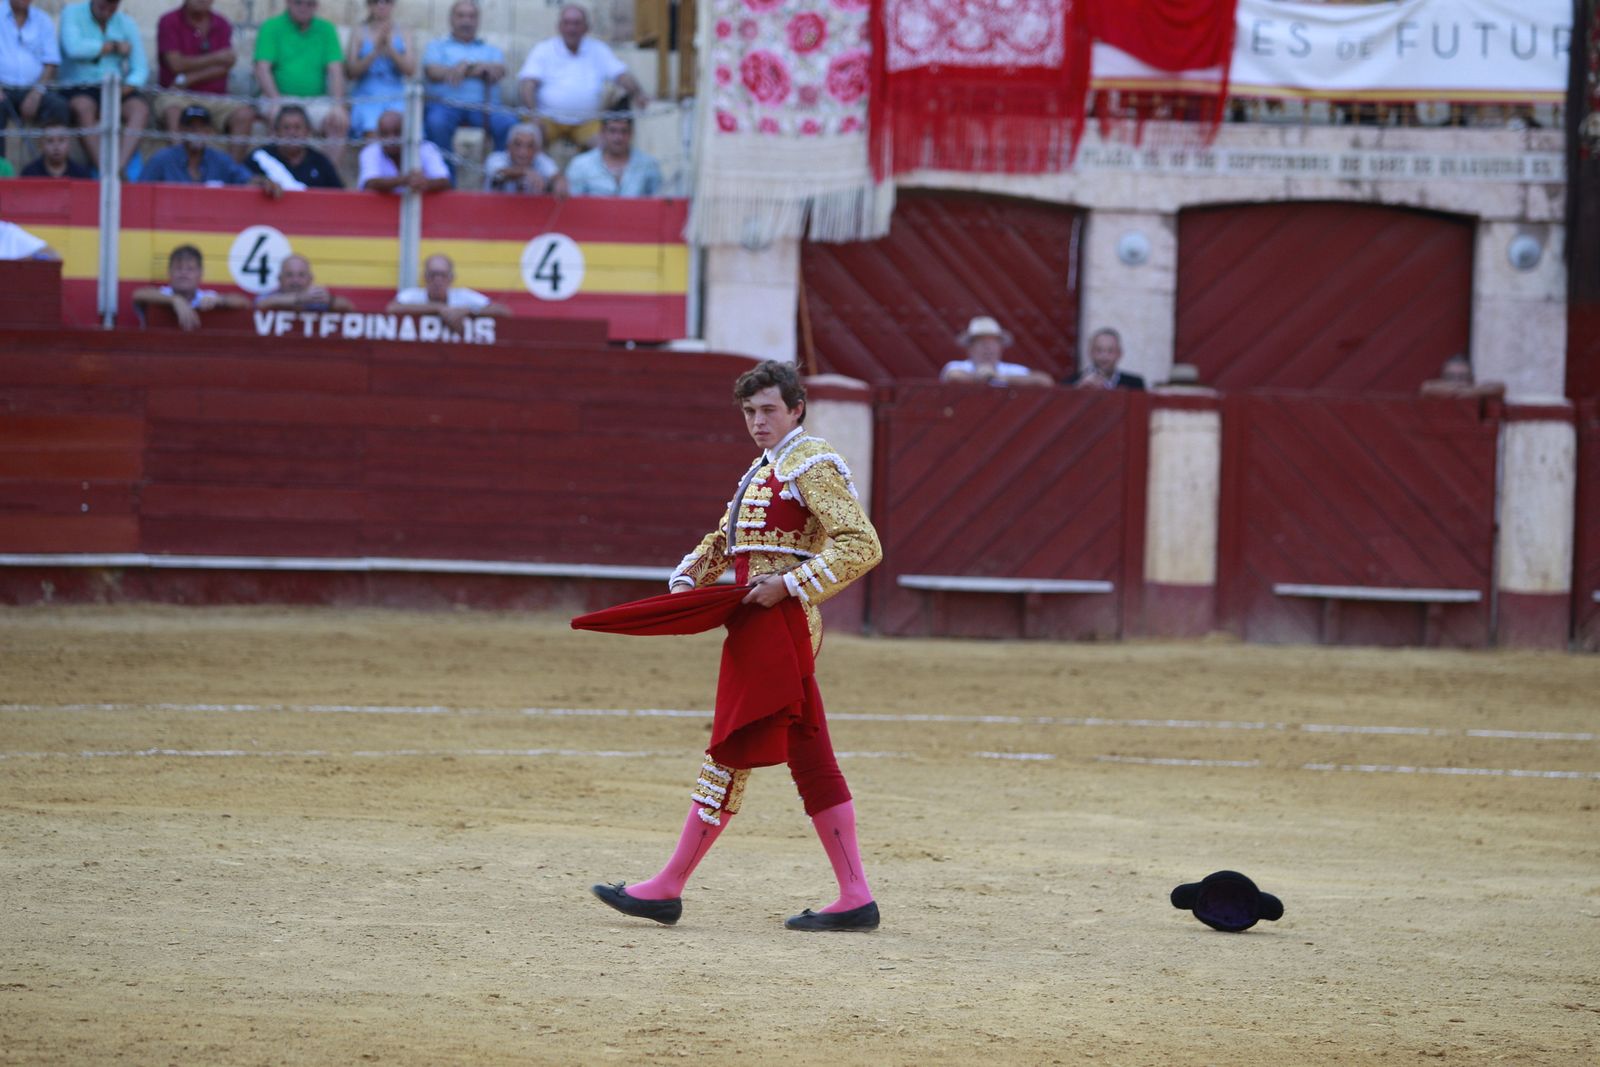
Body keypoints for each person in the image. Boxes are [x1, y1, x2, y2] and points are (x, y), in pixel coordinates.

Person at [587, 360, 884, 932]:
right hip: (756, 622)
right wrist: (686, 582)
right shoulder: (764, 468)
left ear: (796, 408)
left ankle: (668, 886)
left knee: (732, 742)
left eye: (768, 409)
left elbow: (861, 544)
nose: (757, 421)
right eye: (749, 412)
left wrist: (791, 585)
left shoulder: (811, 463)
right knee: (808, 751)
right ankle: (854, 895)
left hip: (785, 623)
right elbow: (725, 541)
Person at [516, 4, 646, 151]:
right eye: (567, 23)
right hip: (547, 119)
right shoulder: (543, 49)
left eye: (577, 23)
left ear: (586, 27)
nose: (572, 28)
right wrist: (534, 116)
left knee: (608, 148)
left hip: (587, 122)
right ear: (559, 27)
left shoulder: (598, 49)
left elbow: (621, 75)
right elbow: (527, 84)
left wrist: (638, 93)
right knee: (529, 141)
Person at [57, 0, 151, 178]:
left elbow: (140, 68)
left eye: (113, 3)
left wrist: (126, 88)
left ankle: (118, 169)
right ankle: (105, 172)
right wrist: (113, 47)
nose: (108, 6)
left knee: (140, 109)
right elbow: (74, 49)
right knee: (83, 107)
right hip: (79, 85)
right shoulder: (71, 13)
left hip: (115, 87)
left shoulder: (126, 23)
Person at [154, 0, 256, 162]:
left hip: (215, 99)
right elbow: (176, 64)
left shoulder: (221, 23)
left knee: (244, 114)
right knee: (173, 111)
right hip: (177, 96)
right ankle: (181, 169)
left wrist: (188, 78)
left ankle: (231, 175)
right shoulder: (169, 21)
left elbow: (227, 64)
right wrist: (215, 58)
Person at [421, 0, 513, 159]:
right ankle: (445, 180)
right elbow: (432, 72)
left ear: (478, 20)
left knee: (509, 124)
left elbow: (499, 71)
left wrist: (466, 67)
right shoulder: (437, 46)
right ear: (451, 19)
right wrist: (478, 69)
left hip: (484, 108)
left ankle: (497, 175)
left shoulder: (491, 50)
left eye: (472, 16)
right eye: (461, 16)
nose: (466, 21)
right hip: (445, 106)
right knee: (436, 123)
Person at [252, 0, 349, 149]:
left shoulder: (327, 29)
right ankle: (278, 171)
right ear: (288, 3)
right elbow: (262, 68)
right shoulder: (271, 26)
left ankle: (329, 172)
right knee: (277, 117)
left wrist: (337, 105)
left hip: (315, 100)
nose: (304, 8)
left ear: (316, 6)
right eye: (299, 2)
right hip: (278, 97)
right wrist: (275, 100)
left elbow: (336, 70)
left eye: (310, 4)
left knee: (338, 122)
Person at [139, 103, 279, 190]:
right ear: (181, 130)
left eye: (202, 127)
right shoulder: (162, 159)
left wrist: (263, 182)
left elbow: (245, 179)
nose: (197, 132)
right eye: (191, 127)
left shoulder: (220, 161)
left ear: (209, 132)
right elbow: (140, 191)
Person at [0, 0, 70, 166]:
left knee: (59, 107)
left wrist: (37, 92)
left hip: (34, 88)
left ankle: (49, 170)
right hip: (2, 88)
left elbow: (51, 62)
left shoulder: (42, 20)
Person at [132, 242, 248, 330]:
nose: (184, 273)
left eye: (190, 269)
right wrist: (174, 300)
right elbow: (138, 294)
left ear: (200, 274)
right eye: (178, 268)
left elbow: (244, 302)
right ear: (169, 272)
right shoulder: (162, 294)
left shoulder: (206, 297)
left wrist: (219, 300)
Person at [345, 0, 414, 140]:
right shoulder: (358, 32)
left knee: (400, 130)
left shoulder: (404, 32)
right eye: (375, 2)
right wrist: (375, 50)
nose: (381, 5)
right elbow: (351, 72)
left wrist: (390, 49)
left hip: (396, 94)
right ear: (369, 5)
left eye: (387, 1)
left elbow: (410, 70)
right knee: (371, 129)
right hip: (367, 95)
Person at [387, 252, 508, 329]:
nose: (438, 280)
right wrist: (439, 308)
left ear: (451, 278)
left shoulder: (462, 295)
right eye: (433, 275)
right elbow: (392, 308)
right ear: (425, 277)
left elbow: (502, 311)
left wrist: (467, 310)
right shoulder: (413, 295)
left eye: (442, 275)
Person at [564, 110, 660, 197]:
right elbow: (573, 204)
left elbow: (657, 202)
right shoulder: (581, 164)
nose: (618, 137)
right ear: (602, 133)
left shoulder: (648, 164)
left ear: (631, 134)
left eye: (624, 131)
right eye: (612, 131)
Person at [939, 315, 1053, 387]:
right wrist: (979, 377)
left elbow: (1045, 381)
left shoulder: (1010, 370)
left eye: (993, 343)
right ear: (970, 348)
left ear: (1000, 347)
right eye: (983, 343)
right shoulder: (959, 367)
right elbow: (953, 377)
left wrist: (1001, 378)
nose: (988, 349)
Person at [246, 103, 342, 188]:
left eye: (297, 127)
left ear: (307, 131)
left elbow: (338, 196)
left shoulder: (320, 162)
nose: (292, 133)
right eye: (286, 128)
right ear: (276, 131)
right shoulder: (258, 158)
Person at [357, 108, 450, 194]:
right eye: (385, 134)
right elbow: (369, 184)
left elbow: (444, 181)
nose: (391, 140)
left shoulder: (426, 148)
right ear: (378, 135)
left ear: (408, 132)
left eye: (397, 133)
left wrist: (426, 183)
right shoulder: (370, 151)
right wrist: (404, 180)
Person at [481, 121, 563, 195]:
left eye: (530, 146)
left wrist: (559, 182)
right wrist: (524, 172)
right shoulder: (496, 158)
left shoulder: (541, 159)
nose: (523, 152)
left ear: (537, 150)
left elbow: (555, 175)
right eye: (518, 144)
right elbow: (499, 174)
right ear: (508, 147)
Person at [255, 252, 352, 311]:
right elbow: (260, 304)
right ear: (280, 279)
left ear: (310, 279)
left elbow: (347, 306)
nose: (295, 280)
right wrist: (300, 298)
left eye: (301, 275)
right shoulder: (268, 297)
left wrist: (330, 301)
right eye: (289, 275)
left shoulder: (316, 299)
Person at [1068, 327, 1146, 390]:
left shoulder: (1135, 384)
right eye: (1099, 350)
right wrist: (1079, 389)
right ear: (1090, 352)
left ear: (1119, 354)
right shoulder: (1071, 383)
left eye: (1110, 351)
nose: (1104, 356)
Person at [1420, 354, 1505, 399]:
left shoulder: (1477, 392)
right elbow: (1426, 387)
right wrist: (1463, 391)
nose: (1457, 381)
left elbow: (1500, 388)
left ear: (1471, 380)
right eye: (1451, 377)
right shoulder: (1435, 392)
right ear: (1443, 379)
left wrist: (1469, 392)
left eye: (1462, 377)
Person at [20, 124, 91, 177]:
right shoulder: (30, 174)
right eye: (50, 141)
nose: (56, 146)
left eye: (61, 140)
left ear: (69, 143)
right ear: (41, 145)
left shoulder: (81, 175)